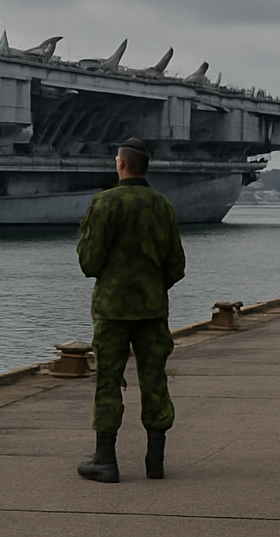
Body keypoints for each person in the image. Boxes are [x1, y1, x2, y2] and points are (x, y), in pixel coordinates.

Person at [75, 137, 186, 484]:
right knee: (155, 380)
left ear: (121, 163)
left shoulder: (104, 203)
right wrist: (151, 287)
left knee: (108, 381)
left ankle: (105, 460)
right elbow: (176, 265)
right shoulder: (162, 205)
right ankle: (155, 461)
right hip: (152, 310)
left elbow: (89, 263)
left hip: (111, 311)